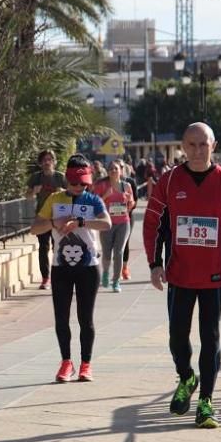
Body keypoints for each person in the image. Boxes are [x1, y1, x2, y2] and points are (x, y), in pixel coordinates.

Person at [143, 123, 221, 429]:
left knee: (210, 338)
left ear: (214, 146)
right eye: (191, 145)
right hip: (179, 275)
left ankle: (206, 401)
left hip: (214, 278)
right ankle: (187, 377)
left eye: (203, 144)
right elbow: (152, 223)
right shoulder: (169, 180)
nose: (197, 150)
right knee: (177, 338)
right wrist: (154, 263)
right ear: (182, 147)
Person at [30, 155, 111, 382]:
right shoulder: (55, 200)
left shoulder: (94, 200)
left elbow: (107, 223)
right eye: (74, 182)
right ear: (67, 179)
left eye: (82, 183)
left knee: (86, 318)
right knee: (61, 318)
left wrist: (81, 222)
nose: (78, 187)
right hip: (61, 267)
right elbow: (35, 228)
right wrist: (54, 222)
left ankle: (86, 363)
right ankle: (66, 362)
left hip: (88, 268)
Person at [26, 150, 67, 290]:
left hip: (59, 217)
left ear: (54, 162)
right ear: (40, 163)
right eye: (44, 160)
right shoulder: (36, 178)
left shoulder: (61, 177)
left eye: (50, 159)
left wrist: (63, 192)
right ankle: (45, 278)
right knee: (43, 248)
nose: (47, 162)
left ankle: (59, 275)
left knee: (58, 247)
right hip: (42, 217)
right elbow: (27, 196)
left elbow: (72, 195)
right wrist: (33, 192)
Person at [92, 160, 135, 292]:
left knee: (119, 252)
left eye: (116, 168)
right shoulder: (102, 185)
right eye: (111, 169)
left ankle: (116, 281)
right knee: (106, 252)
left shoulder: (126, 185)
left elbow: (131, 204)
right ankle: (105, 273)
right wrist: (105, 196)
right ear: (108, 171)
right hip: (106, 223)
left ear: (120, 171)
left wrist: (129, 201)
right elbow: (94, 202)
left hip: (123, 222)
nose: (113, 171)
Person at [120, 163, 140, 280]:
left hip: (127, 216)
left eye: (121, 167)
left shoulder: (130, 182)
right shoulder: (108, 183)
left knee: (125, 242)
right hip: (112, 218)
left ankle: (125, 268)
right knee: (112, 245)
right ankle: (115, 269)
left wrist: (127, 209)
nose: (119, 170)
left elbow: (135, 200)